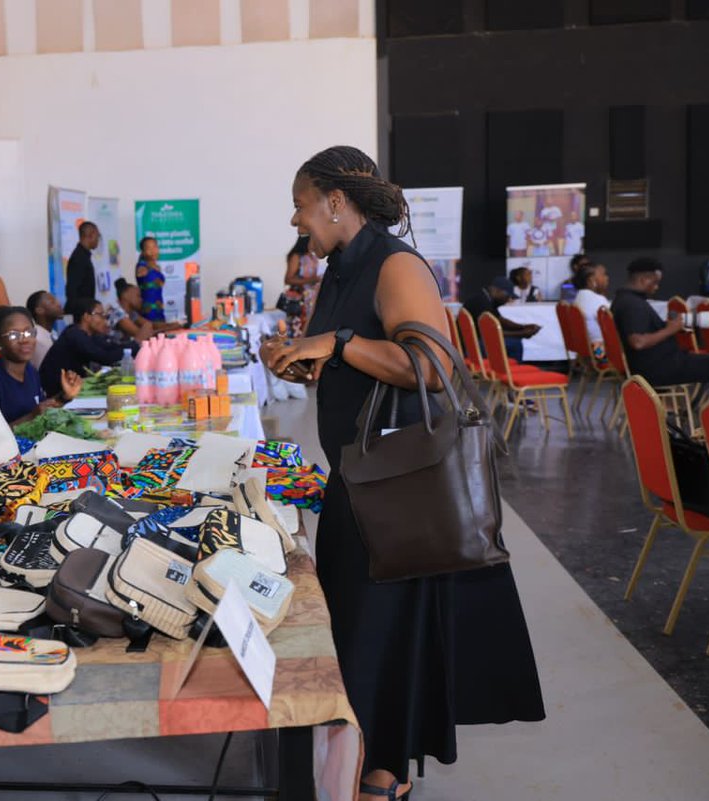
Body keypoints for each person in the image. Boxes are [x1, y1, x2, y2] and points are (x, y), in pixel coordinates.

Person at [260, 145, 543, 801]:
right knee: (358, 634)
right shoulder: (337, 270)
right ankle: (367, 769)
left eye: (301, 204)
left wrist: (337, 345)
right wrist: (311, 359)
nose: (295, 218)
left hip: (397, 490)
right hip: (357, 482)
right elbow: (354, 352)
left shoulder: (394, 264)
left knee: (382, 636)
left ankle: (384, 777)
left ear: (336, 200)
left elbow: (432, 364)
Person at [611, 257, 709, 396]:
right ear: (644, 279)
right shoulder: (633, 305)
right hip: (657, 369)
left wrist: (670, 326)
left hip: (651, 364)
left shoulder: (623, 299)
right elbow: (638, 342)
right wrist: (670, 329)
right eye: (655, 282)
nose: (656, 287)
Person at [0, 306, 82, 425]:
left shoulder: (30, 372)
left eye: (29, 332)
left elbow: (42, 410)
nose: (24, 340)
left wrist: (64, 397)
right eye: (14, 335)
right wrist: (31, 417)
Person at [40, 297, 124, 397]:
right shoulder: (74, 334)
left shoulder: (90, 335)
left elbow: (110, 347)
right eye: (100, 315)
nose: (104, 320)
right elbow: (103, 357)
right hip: (56, 394)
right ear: (86, 317)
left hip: (70, 387)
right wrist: (134, 346)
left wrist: (135, 345)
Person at [462, 275, 541, 361]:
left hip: (475, 341)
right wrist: (522, 334)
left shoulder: (485, 298)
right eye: (507, 296)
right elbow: (492, 333)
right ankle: (509, 372)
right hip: (473, 345)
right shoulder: (481, 302)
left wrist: (523, 327)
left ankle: (505, 370)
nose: (508, 300)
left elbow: (500, 320)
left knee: (513, 342)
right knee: (515, 344)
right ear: (496, 290)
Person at [107, 277, 182, 347]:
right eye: (138, 296)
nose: (141, 300)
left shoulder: (132, 313)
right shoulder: (118, 314)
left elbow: (152, 325)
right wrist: (170, 328)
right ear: (126, 296)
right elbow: (142, 334)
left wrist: (171, 325)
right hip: (116, 355)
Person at [282, 235, 322, 336]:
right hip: (299, 301)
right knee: (297, 330)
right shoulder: (297, 256)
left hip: (310, 299)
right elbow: (288, 279)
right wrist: (313, 279)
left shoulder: (312, 256)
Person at [573, 263, 611, 365]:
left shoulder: (579, 297)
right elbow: (614, 325)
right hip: (600, 352)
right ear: (591, 280)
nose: (607, 278)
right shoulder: (597, 300)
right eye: (603, 274)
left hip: (586, 351)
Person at [65, 221, 100, 314]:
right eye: (98, 236)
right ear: (91, 235)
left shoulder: (83, 256)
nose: (98, 239)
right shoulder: (79, 258)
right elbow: (73, 289)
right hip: (80, 312)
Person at [27, 289, 63, 369]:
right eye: (52, 302)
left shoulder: (53, 334)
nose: (59, 304)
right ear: (39, 310)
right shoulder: (37, 338)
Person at [135, 235, 167, 322]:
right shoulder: (142, 266)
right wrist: (146, 269)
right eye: (149, 248)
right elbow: (140, 273)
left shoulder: (156, 267)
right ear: (143, 252)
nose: (153, 251)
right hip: (149, 311)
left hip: (159, 309)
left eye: (155, 247)